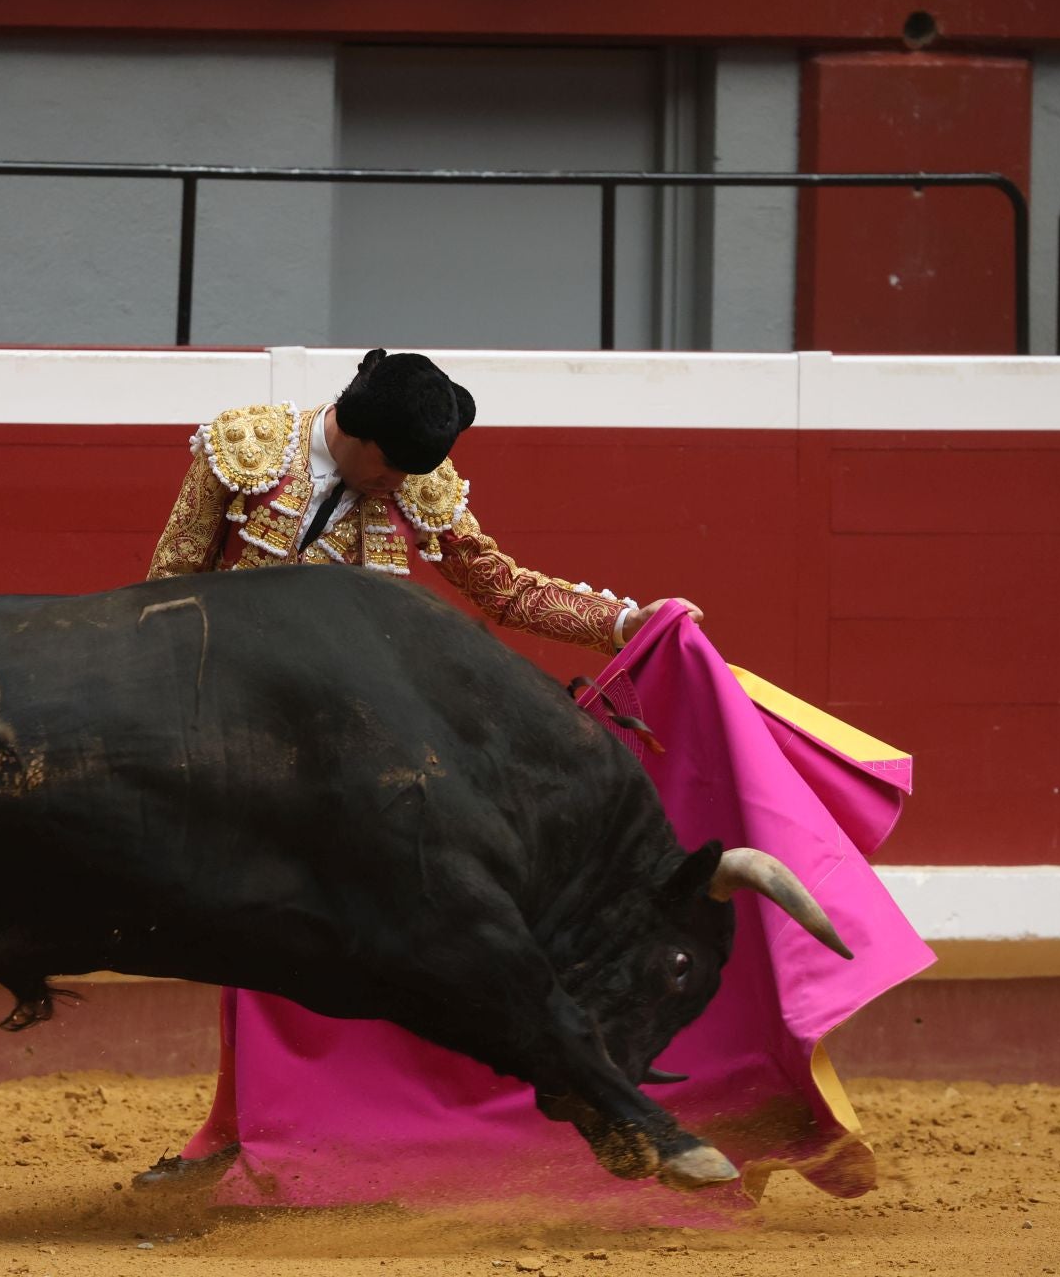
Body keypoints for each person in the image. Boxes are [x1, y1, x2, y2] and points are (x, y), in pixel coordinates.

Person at [138, 348, 701, 1186]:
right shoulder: (245, 449)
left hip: (377, 752)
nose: (403, 485)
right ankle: (233, 1127)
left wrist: (625, 622)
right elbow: (166, 586)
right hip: (257, 739)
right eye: (392, 468)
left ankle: (417, 1121)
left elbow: (502, 589)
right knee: (261, 935)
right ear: (358, 437)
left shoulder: (416, 479)